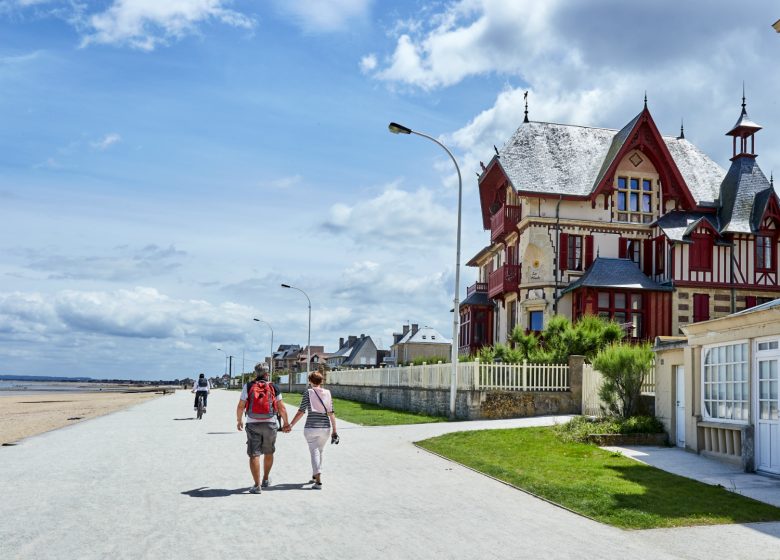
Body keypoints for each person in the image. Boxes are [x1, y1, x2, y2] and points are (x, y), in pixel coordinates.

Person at [236, 364, 290, 494]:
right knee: (269, 452)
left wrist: (239, 420)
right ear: (267, 374)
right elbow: (281, 408)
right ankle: (265, 479)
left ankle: (257, 485)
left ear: (256, 373)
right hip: (270, 423)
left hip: (252, 424)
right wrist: (286, 423)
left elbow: (241, 406)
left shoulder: (248, 386)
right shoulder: (273, 386)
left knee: (254, 454)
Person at [288, 371, 338, 489]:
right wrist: (334, 430)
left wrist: (291, 425)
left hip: (311, 427)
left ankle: (318, 481)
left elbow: (301, 411)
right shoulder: (328, 393)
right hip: (325, 428)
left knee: (314, 451)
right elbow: (331, 413)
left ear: (310, 381)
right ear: (321, 381)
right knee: (320, 451)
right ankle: (315, 476)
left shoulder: (308, 393)